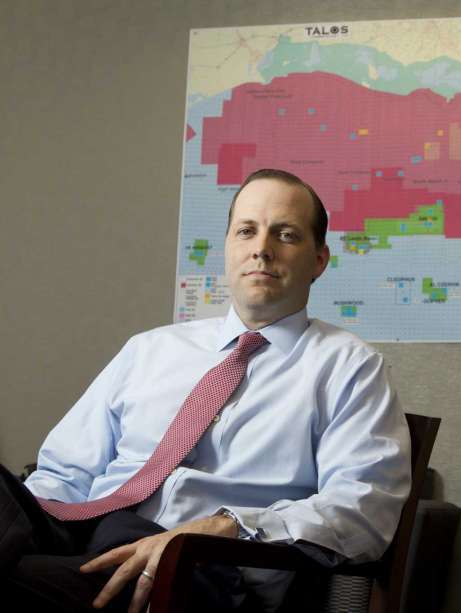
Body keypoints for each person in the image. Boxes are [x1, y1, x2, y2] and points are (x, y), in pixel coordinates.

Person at [1, 169, 411, 612]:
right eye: (246, 231)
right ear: (228, 248)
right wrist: (29, 524)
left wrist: (224, 526)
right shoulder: (150, 348)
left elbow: (363, 511)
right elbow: (63, 473)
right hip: (84, 536)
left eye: (286, 234)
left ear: (319, 260)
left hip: (203, 569)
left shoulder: (348, 366)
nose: (262, 249)